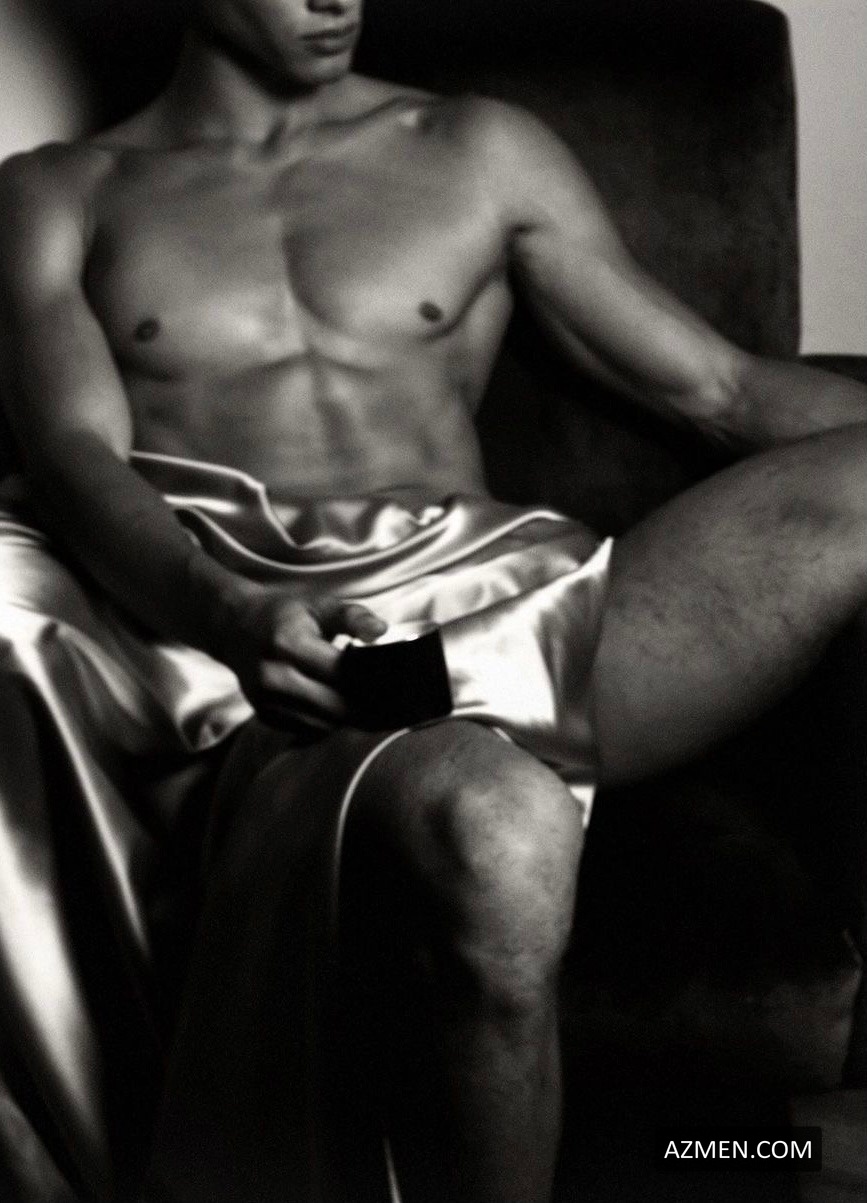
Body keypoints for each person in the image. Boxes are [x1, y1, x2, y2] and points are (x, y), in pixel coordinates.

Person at [0, 0, 864, 1200]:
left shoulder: (476, 149)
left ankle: (423, 682)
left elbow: (720, 390)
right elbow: (73, 458)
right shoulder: (62, 192)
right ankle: (734, 1149)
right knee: (493, 833)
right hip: (244, 651)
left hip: (502, 612)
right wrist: (224, 612)